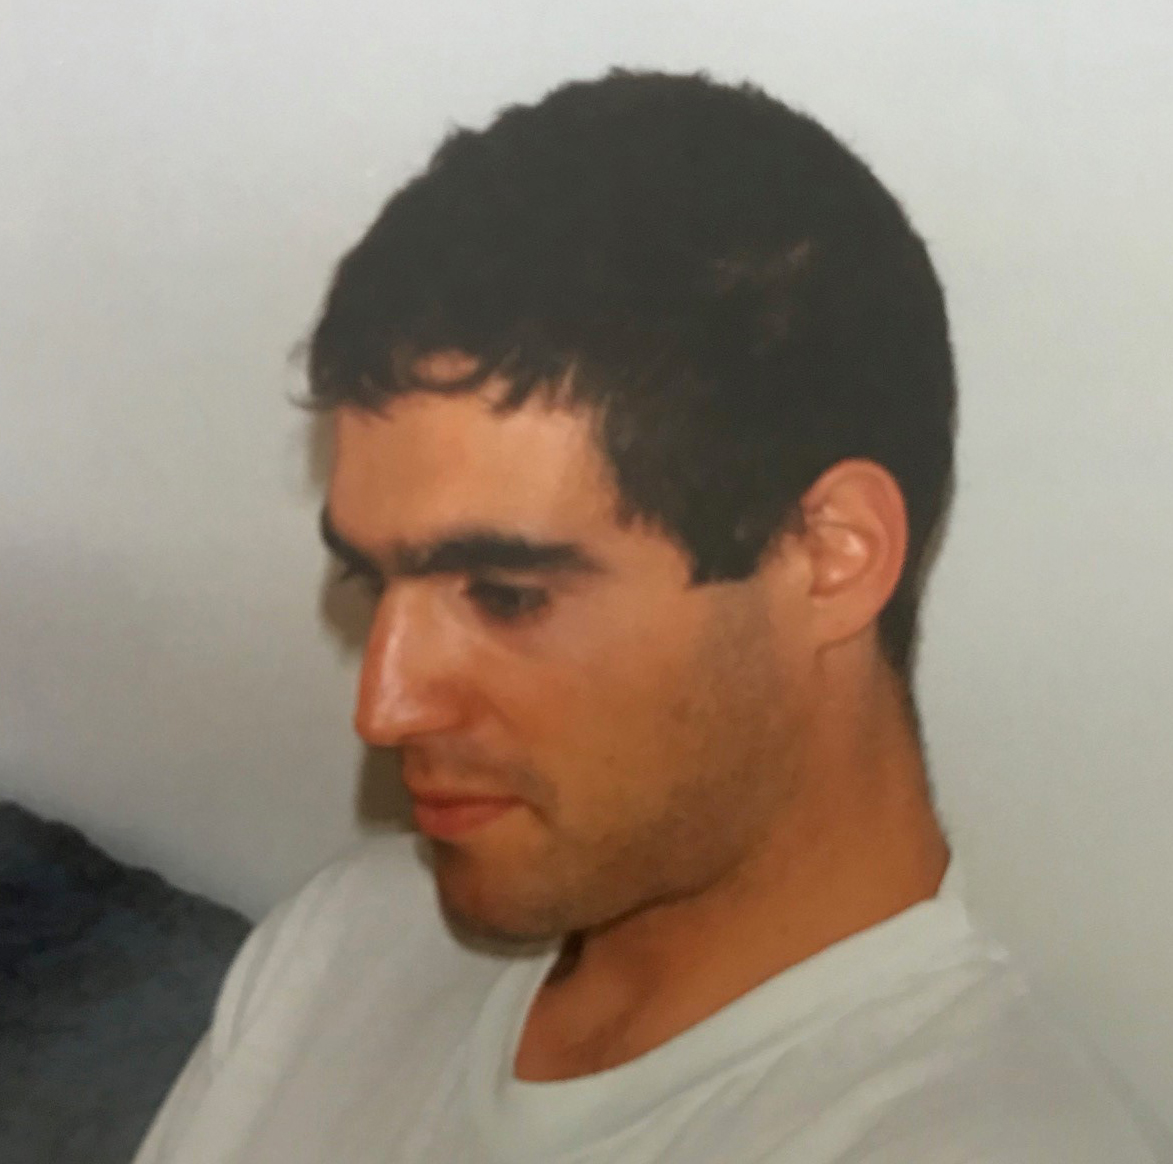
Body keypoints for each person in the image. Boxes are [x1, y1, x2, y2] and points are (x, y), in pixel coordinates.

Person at [133, 70, 1161, 1163]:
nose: (384, 708)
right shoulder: (343, 951)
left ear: (830, 556)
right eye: (370, 582)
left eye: (507, 594)